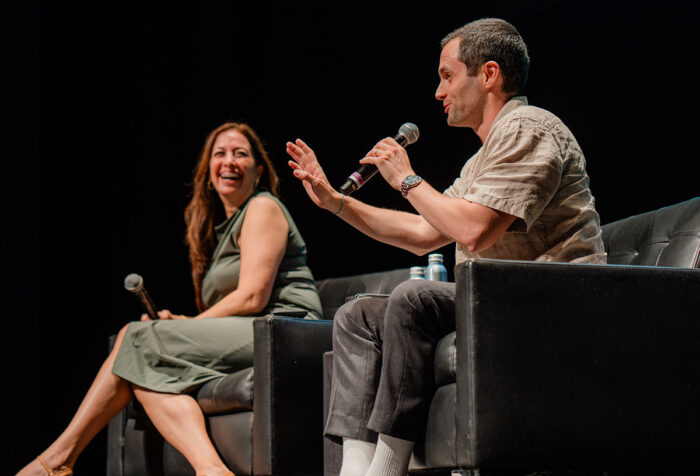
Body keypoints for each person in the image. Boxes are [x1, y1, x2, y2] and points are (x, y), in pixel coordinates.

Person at [286, 18, 606, 476]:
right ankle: (354, 471)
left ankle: (386, 470)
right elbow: (424, 232)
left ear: (489, 74)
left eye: (447, 75)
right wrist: (337, 204)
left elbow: (474, 231)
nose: (439, 92)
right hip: (498, 297)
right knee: (356, 316)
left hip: (554, 299)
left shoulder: (530, 127)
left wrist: (406, 179)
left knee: (415, 298)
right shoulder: (483, 157)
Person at [18, 122, 322, 476]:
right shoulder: (223, 230)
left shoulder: (263, 207)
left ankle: (57, 461)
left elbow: (253, 297)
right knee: (144, 367)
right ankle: (212, 471)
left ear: (258, 171)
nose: (230, 161)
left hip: (284, 330)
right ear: (208, 173)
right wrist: (178, 328)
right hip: (253, 330)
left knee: (136, 338)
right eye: (220, 153)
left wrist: (187, 326)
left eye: (241, 154)